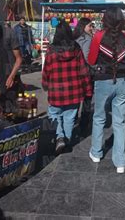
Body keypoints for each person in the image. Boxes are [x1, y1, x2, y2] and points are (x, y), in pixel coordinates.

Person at [87, 7, 125, 174]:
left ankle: (96, 153)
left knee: (99, 118)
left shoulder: (98, 36)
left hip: (103, 81)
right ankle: (120, 162)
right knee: (120, 122)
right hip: (123, 82)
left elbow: (91, 60)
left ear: (105, 19)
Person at [42, 20, 92, 154]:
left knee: (54, 114)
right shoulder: (76, 48)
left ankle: (60, 137)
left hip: (56, 90)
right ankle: (67, 140)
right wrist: (88, 89)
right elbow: (83, 71)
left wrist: (45, 84)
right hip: (74, 90)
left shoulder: (51, 50)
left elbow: (46, 70)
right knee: (70, 117)